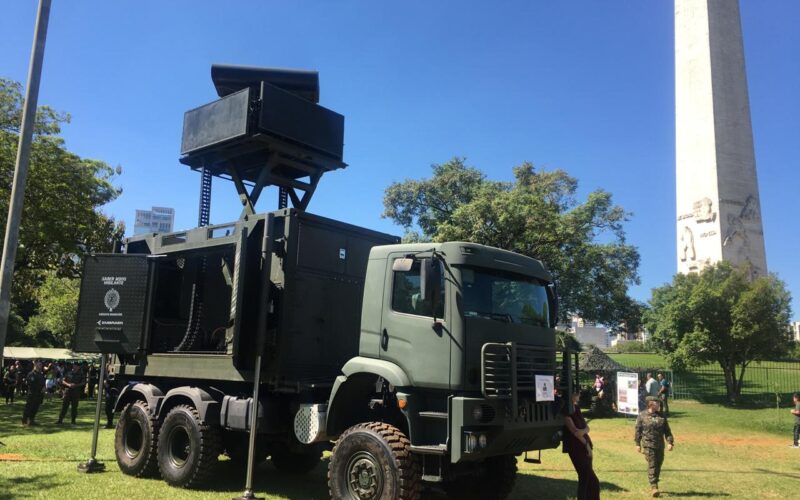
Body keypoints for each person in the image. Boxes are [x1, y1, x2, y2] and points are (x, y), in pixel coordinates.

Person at [563, 390, 600, 500]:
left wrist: (584, 432)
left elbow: (587, 428)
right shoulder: (566, 412)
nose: (579, 395)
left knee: (590, 480)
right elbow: (575, 432)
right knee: (586, 478)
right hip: (577, 447)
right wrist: (586, 445)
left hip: (584, 445)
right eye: (577, 393)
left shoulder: (577, 408)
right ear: (572, 395)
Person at [635, 396, 675, 497]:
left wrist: (670, 442)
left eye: (658, 403)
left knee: (658, 465)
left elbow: (667, 431)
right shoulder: (642, 415)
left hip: (660, 445)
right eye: (656, 402)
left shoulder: (661, 416)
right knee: (652, 464)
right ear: (650, 403)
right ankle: (654, 487)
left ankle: (655, 482)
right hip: (648, 445)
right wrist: (637, 444)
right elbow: (638, 431)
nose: (658, 404)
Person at [22, 361, 46, 426]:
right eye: (39, 364)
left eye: (41, 364)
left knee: (35, 408)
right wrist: (40, 388)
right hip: (32, 394)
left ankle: (31, 421)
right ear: (35, 365)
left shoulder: (41, 374)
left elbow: (43, 383)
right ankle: (24, 421)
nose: (41, 366)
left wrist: (44, 387)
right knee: (28, 408)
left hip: (39, 394)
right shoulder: (31, 374)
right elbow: (31, 384)